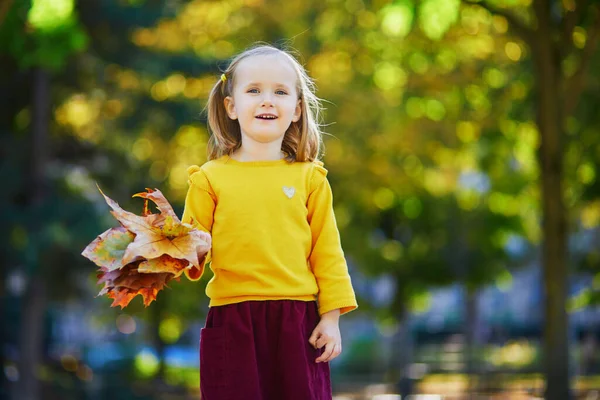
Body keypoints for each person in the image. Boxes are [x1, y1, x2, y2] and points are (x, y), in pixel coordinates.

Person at [181, 44, 358, 400]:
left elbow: (327, 253)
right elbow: (185, 249)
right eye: (254, 90)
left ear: (296, 109)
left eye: (280, 92)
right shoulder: (208, 179)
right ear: (231, 106)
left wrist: (332, 318)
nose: (267, 100)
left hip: (298, 320)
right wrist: (194, 248)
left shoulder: (311, 179)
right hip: (232, 318)